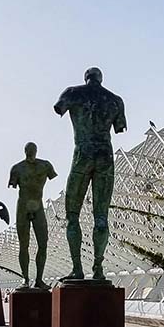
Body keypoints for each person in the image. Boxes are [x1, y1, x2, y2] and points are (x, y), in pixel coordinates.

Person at [54, 67, 127, 281]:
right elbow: (120, 127)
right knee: (101, 216)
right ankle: (98, 268)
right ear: (101, 79)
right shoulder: (115, 100)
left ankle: (77, 269)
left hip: (83, 154)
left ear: (85, 78)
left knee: (72, 215)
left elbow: (59, 108)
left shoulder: (72, 93)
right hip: (105, 155)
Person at [7, 142, 58, 288]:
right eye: (28, 150)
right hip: (23, 206)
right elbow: (13, 184)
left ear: (36, 151)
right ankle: (25, 278)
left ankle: (39, 279)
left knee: (43, 243)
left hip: (38, 205)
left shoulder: (45, 166)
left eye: (32, 150)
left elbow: (52, 176)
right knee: (24, 245)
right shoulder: (17, 169)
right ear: (25, 151)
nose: (31, 152)